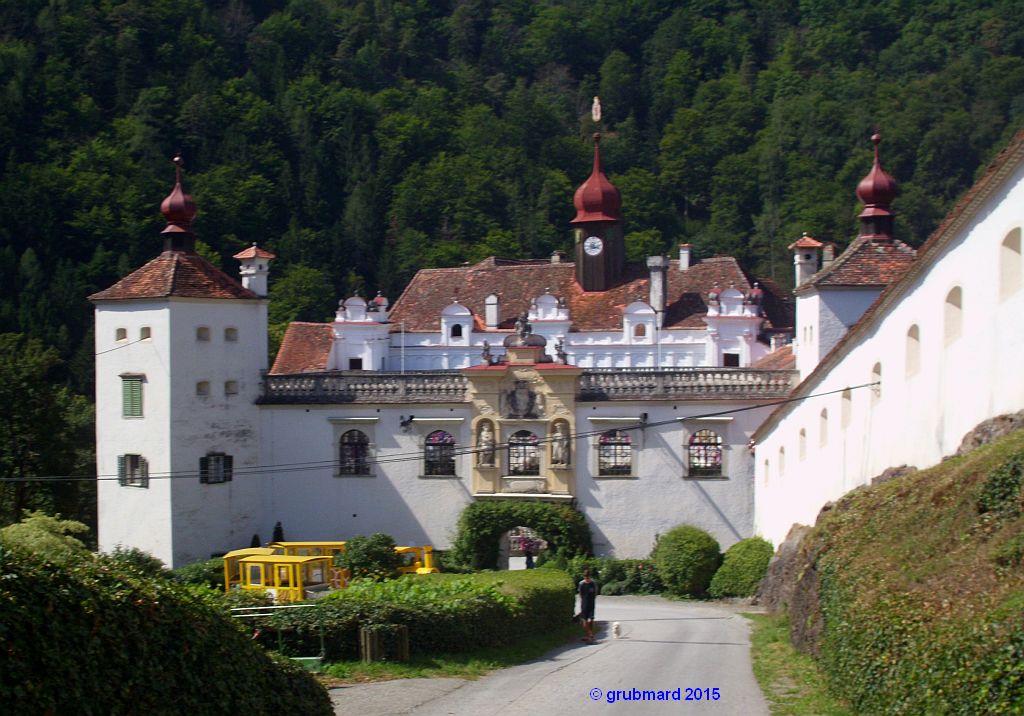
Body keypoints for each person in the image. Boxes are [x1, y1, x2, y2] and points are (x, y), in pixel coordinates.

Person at [578, 567, 597, 642]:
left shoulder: (593, 583)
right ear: (584, 577)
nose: (587, 579)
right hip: (584, 603)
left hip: (591, 603)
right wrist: (583, 601)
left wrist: (592, 600)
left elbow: (595, 593)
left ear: (590, 577)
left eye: (588, 578)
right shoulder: (581, 583)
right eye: (586, 578)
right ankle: (588, 635)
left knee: (591, 619)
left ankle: (590, 634)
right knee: (584, 620)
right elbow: (580, 594)